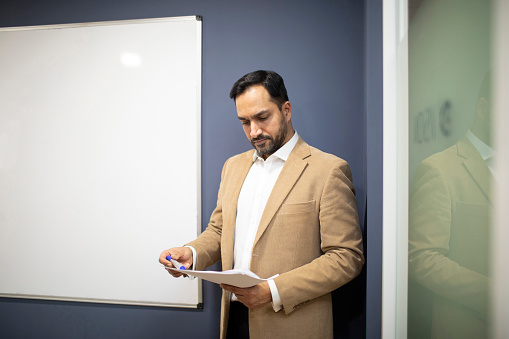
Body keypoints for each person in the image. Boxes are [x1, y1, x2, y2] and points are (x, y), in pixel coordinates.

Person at [159, 70, 364, 339]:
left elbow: (346, 257)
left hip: (293, 325)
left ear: (286, 110)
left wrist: (273, 291)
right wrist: (191, 253)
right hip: (233, 322)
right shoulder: (232, 167)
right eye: (245, 122)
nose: (254, 131)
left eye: (262, 117)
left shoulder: (328, 170)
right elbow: (220, 231)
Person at [408, 73, 493, 338]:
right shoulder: (439, 169)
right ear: (483, 108)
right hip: (471, 326)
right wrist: (495, 295)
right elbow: (422, 258)